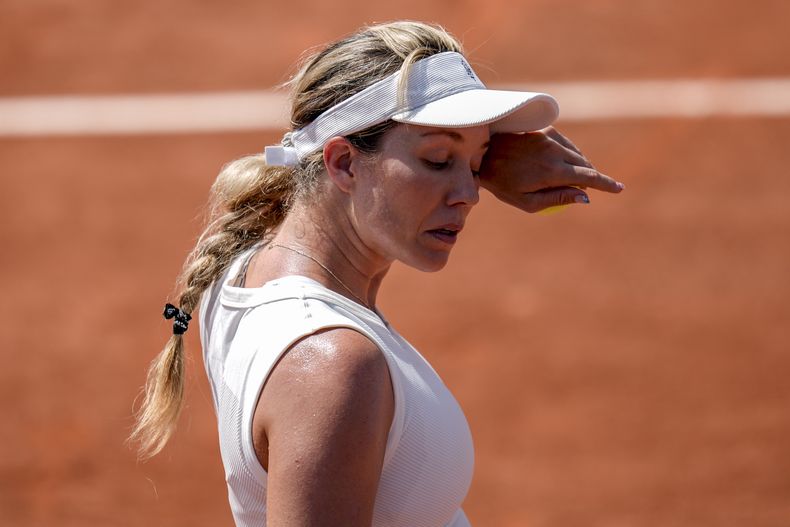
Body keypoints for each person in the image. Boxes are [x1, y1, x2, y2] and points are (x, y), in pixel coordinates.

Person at [130, 20, 624, 527]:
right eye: (436, 159)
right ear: (343, 163)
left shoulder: (247, 262)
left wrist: (470, 152)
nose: (470, 193)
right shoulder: (333, 367)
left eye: (475, 165)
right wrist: (467, 154)